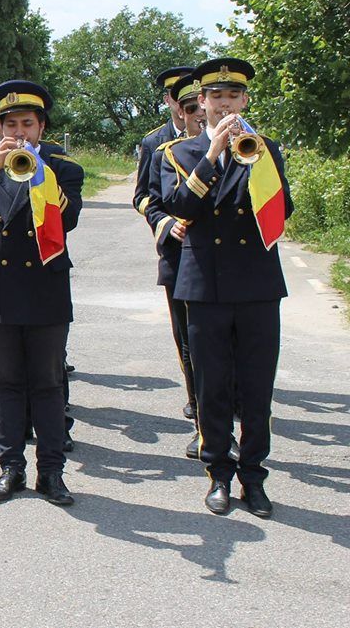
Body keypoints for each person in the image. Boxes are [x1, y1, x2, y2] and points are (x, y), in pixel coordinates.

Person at [161, 58, 292, 518]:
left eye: (233, 96)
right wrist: (214, 153)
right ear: (201, 102)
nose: (225, 104)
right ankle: (218, 473)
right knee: (212, 386)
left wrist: (250, 157)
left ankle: (254, 477)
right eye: (216, 97)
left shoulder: (264, 149)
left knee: (257, 387)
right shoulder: (181, 153)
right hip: (205, 285)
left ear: (245, 100)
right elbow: (180, 207)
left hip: (256, 283)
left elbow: (282, 210)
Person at [0, 80, 84, 505]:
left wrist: (40, 173)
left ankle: (52, 472)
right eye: (11, 124)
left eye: (28, 123)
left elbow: (70, 217)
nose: (20, 132)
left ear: (42, 127)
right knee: (6, 383)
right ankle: (11, 467)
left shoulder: (64, 169)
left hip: (45, 288)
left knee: (47, 384)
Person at [145, 73, 205, 457]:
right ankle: (199, 406)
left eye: (201, 107)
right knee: (189, 340)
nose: (196, 115)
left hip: (226, 259)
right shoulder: (158, 147)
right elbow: (145, 198)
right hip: (179, 254)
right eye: (189, 109)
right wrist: (167, 223)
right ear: (177, 109)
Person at [133, 66, 193, 217]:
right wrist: (163, 217)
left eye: (188, 94)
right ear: (167, 100)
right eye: (176, 94)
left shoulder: (213, 137)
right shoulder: (152, 141)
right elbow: (141, 197)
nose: (182, 100)